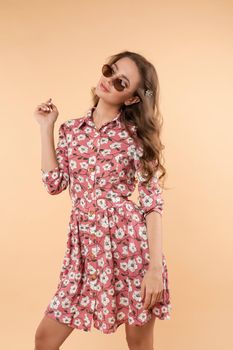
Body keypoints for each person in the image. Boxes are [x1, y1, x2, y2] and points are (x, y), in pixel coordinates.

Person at [33, 50, 172, 350]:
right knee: (45, 338)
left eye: (122, 82)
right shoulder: (71, 130)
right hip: (83, 254)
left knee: (138, 343)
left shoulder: (137, 138)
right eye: (110, 70)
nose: (109, 80)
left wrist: (154, 270)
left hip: (131, 251)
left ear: (133, 98)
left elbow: (152, 205)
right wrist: (46, 128)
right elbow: (54, 184)